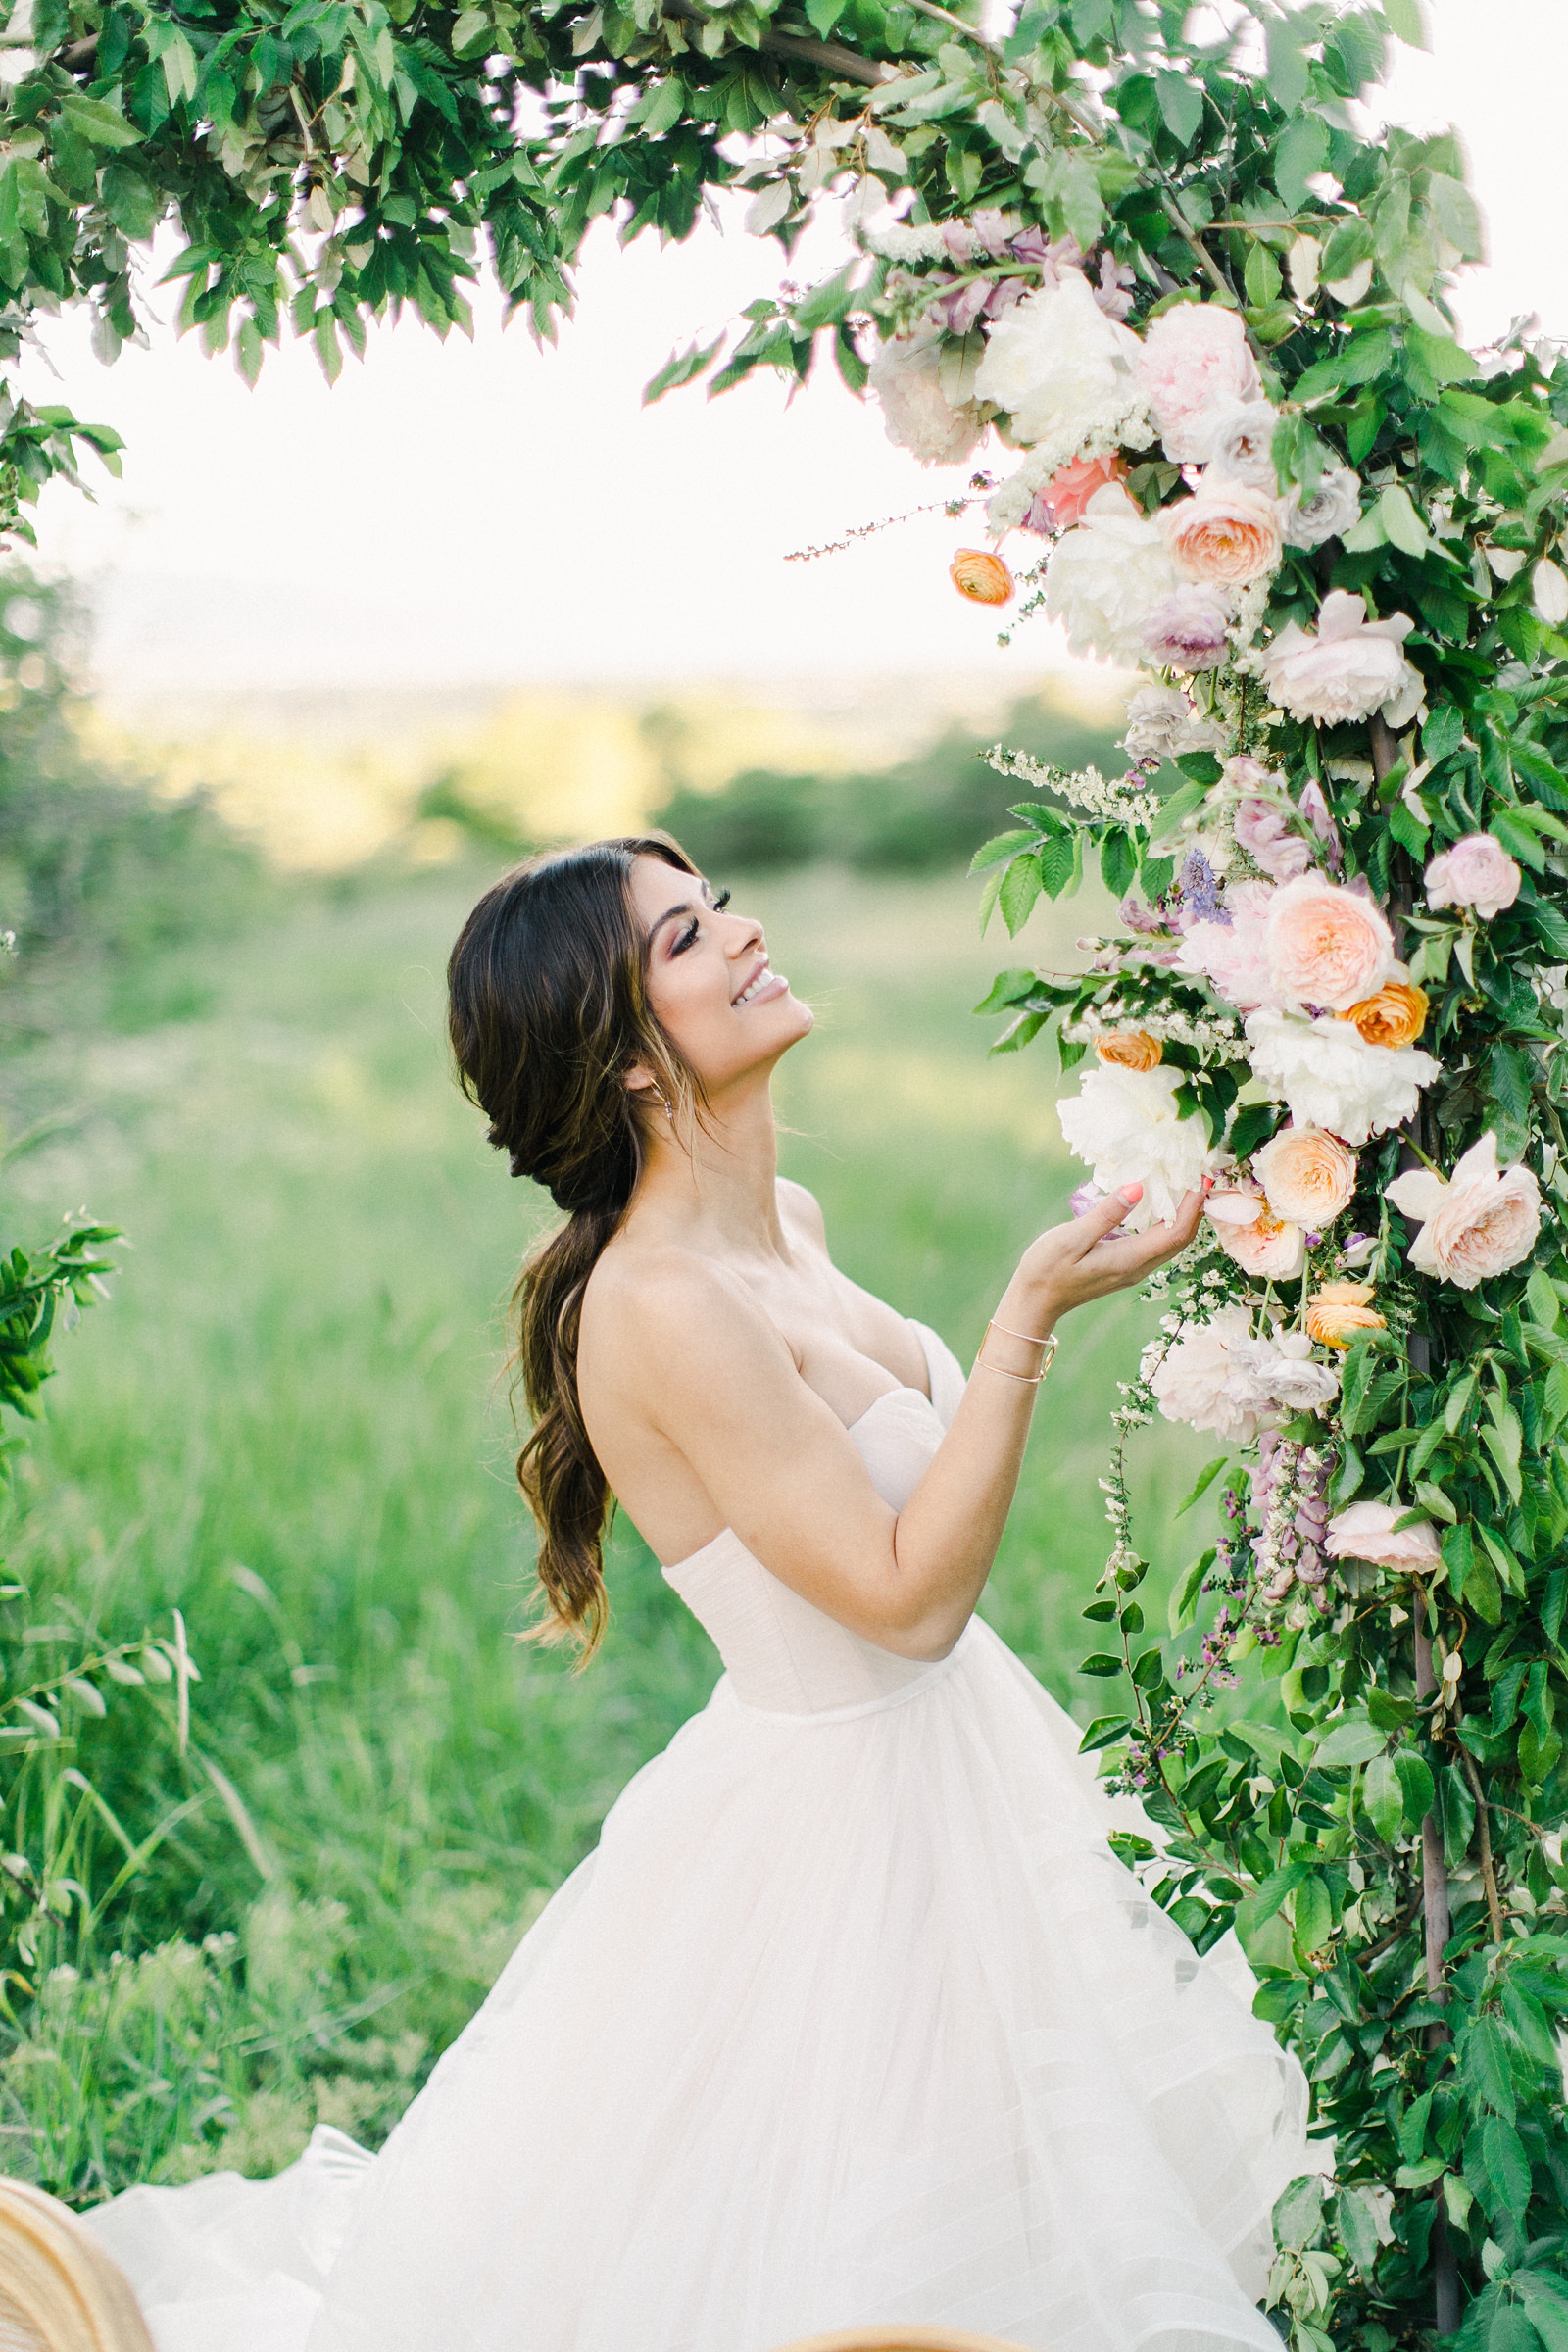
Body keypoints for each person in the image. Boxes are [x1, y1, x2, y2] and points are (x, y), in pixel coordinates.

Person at [87, 836, 1307, 2352]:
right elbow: (904, 1600)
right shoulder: (660, 1302)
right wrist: (1028, 1318)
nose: (740, 934)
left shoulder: (781, 1227)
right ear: (626, 1061)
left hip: (964, 1768)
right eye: (683, 938)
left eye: (716, 905)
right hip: (837, 1828)